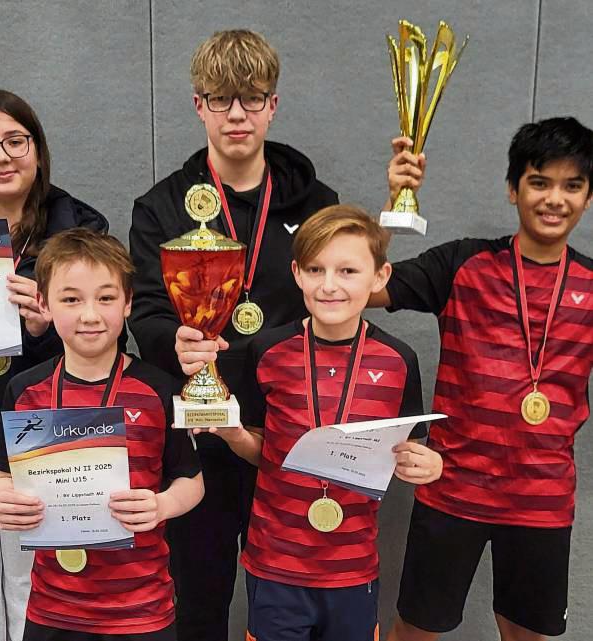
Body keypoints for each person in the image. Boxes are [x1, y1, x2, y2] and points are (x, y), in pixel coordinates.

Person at [128, 29, 337, 641]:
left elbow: (334, 300)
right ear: (199, 106)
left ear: (273, 104)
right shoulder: (162, 206)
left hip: (286, 424)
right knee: (199, 594)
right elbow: (144, 309)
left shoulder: (316, 204)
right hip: (196, 429)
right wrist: (175, 343)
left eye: (252, 98)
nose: (237, 114)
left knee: (293, 592)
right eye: (221, 99)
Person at [378, 117, 593, 641]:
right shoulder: (464, 264)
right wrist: (394, 203)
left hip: (541, 501)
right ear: (512, 189)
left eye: (573, 185)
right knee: (416, 630)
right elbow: (360, 286)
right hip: (451, 489)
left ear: (588, 197)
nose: (554, 199)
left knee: (524, 634)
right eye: (540, 182)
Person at [200, 205, 443, 641]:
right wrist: (233, 433)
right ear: (297, 273)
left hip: (352, 569)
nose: (329, 285)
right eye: (316, 269)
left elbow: (410, 456)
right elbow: (263, 450)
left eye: (348, 271)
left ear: (380, 277)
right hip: (275, 564)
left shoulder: (399, 360)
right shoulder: (267, 351)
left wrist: (428, 467)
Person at [0, 228, 205, 640]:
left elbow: (191, 481)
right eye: (71, 299)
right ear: (43, 303)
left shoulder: (157, 389)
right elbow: (4, 481)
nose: (90, 315)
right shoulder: (25, 391)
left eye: (106, 298)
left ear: (127, 303)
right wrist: (4, 502)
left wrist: (161, 505)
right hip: (53, 609)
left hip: (141, 609)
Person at [0, 88, 109, 641]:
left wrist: (48, 327)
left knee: (39, 584)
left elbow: (106, 338)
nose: (1, 156)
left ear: (38, 150)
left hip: (49, 433)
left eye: (14, 141)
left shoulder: (82, 230)